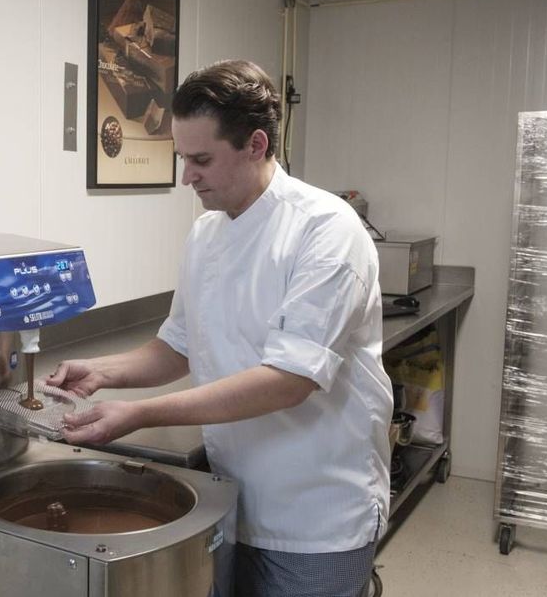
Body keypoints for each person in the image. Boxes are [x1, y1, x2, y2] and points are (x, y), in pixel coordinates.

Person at [44, 60, 392, 597]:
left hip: (315, 513)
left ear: (255, 145)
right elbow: (178, 345)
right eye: (184, 158)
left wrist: (138, 413)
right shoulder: (207, 234)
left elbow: (288, 380)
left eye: (201, 159)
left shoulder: (326, 232)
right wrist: (101, 371)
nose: (187, 178)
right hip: (229, 495)